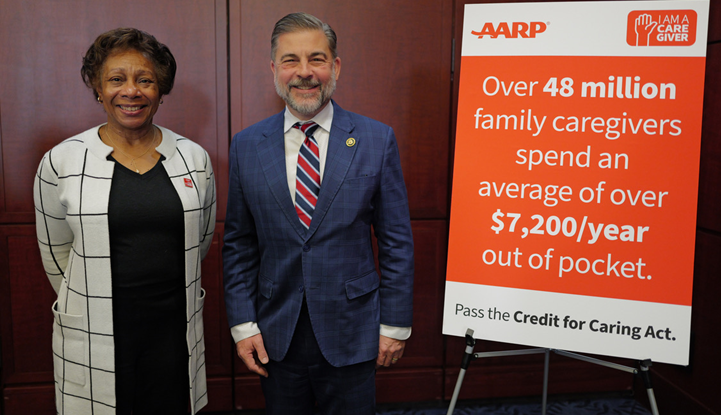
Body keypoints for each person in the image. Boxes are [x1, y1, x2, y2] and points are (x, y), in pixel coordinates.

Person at [223, 12, 414, 414]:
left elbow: (396, 240)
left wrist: (395, 326)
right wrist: (243, 326)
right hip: (275, 334)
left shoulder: (376, 139)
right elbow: (239, 244)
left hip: (354, 329)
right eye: (291, 60)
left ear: (336, 66)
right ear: (274, 69)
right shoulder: (246, 146)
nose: (305, 73)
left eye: (317, 59)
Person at [33, 28, 216, 415]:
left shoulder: (194, 158)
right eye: (116, 79)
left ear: (161, 90)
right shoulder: (62, 161)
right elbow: (55, 253)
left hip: (172, 332)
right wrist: (90, 296)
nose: (131, 91)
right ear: (98, 88)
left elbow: (200, 242)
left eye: (145, 80)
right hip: (96, 331)